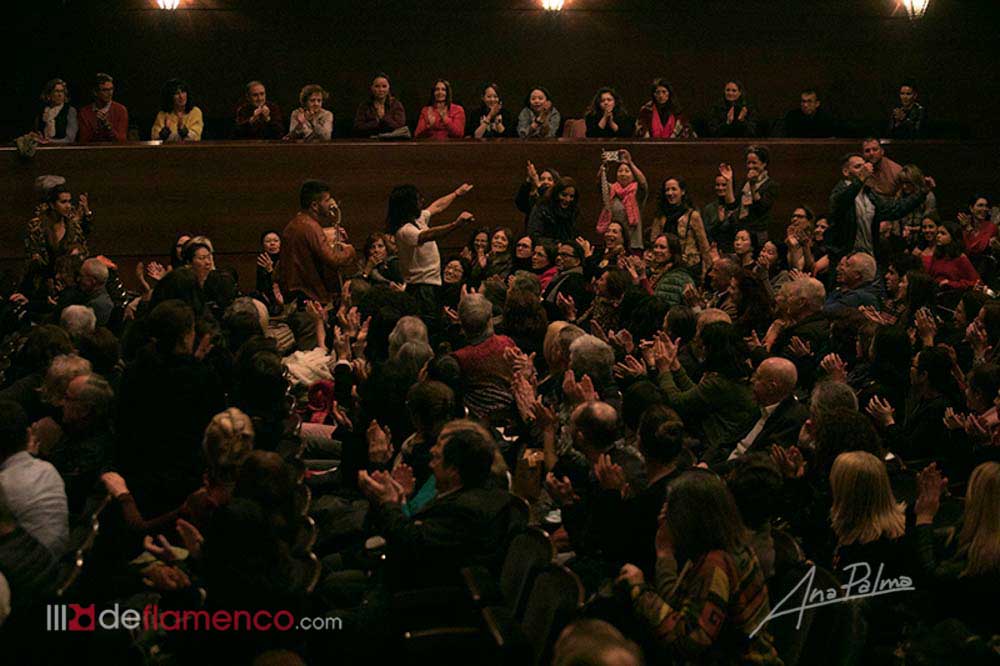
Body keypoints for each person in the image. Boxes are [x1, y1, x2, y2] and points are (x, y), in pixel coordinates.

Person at [617, 470, 781, 664]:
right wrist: (665, 552)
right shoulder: (735, 543)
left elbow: (688, 642)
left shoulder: (715, 564)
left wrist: (640, 589)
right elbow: (680, 607)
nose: (664, 514)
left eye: (672, 510)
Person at [358, 419, 523, 590]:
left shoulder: (464, 509)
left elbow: (411, 544)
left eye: (437, 456)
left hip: (426, 591)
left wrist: (388, 502)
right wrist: (400, 499)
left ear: (453, 469)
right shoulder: (468, 491)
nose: (431, 460)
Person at [387, 182, 476, 330]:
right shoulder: (404, 230)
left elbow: (437, 206)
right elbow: (429, 235)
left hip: (430, 285)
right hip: (421, 289)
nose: (422, 201)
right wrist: (455, 224)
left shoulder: (417, 220)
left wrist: (456, 193)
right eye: (418, 199)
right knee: (427, 326)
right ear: (409, 204)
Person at [828, 152, 931, 265]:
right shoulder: (839, 192)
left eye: (864, 166)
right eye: (858, 167)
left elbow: (894, 210)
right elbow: (843, 202)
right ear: (846, 172)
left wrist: (922, 193)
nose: (864, 170)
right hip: (845, 260)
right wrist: (861, 178)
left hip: (869, 256)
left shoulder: (869, 194)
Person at [0, 401, 68, 555]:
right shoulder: (47, 469)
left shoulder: (4, 485)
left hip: (25, 564)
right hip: (54, 561)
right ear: (27, 434)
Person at [280, 180, 357, 305]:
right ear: (315, 205)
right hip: (310, 297)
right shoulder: (311, 226)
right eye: (327, 200)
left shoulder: (293, 224)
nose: (331, 203)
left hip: (294, 295)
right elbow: (333, 260)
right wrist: (350, 251)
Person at [724, 357, 807, 464]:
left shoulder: (792, 420)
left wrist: (714, 468)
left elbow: (757, 460)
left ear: (771, 387)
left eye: (758, 378)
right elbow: (728, 438)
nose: (752, 380)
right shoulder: (761, 403)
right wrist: (706, 462)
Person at [25, 184, 93, 279]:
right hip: (43, 277)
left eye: (69, 202)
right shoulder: (37, 226)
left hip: (68, 279)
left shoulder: (73, 226)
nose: (68, 206)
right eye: (63, 202)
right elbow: (34, 256)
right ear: (52, 204)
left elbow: (83, 245)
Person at [651, 177, 711, 277]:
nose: (670, 193)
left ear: (682, 192)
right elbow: (654, 240)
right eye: (667, 190)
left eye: (674, 189)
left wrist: (707, 272)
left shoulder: (692, 215)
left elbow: (703, 245)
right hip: (665, 265)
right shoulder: (660, 215)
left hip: (688, 266)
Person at [597, 150, 648, 252]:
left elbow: (643, 183)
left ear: (633, 175)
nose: (623, 174)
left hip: (633, 244)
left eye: (627, 171)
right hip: (613, 244)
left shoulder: (637, 192)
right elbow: (600, 183)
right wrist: (603, 168)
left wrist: (630, 163)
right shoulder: (612, 190)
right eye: (620, 171)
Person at [729, 145, 776, 246]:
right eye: (748, 163)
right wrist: (729, 180)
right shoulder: (745, 183)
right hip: (742, 229)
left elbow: (761, 208)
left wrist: (753, 185)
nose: (750, 166)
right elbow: (733, 204)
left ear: (764, 164)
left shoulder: (770, 185)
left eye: (754, 163)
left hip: (757, 233)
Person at [922, 219, 980, 290]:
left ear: (952, 237)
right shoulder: (938, 255)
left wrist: (951, 284)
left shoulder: (960, 258)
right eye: (938, 233)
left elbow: (976, 282)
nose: (938, 236)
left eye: (943, 233)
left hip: (953, 292)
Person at [644, 234, 694, 307]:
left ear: (672, 251)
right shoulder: (658, 272)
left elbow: (660, 307)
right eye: (655, 246)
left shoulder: (675, 278)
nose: (657, 250)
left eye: (662, 247)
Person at [77, 73, 128, 143]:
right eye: (105, 90)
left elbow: (121, 140)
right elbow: (84, 140)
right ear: (95, 92)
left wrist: (108, 126)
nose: (110, 93)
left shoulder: (120, 110)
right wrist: (98, 127)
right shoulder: (85, 112)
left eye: (111, 89)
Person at [527, 176, 580, 242]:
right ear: (556, 194)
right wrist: (557, 244)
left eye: (571, 196)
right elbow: (534, 235)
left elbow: (572, 235)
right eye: (564, 195)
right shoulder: (542, 208)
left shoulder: (572, 212)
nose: (568, 199)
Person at [32, 78, 77, 144]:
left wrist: (50, 141)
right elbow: (37, 131)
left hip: (63, 148)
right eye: (57, 91)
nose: (60, 95)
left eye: (62, 91)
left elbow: (70, 138)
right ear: (49, 94)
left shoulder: (70, 111)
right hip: (43, 147)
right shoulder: (43, 111)